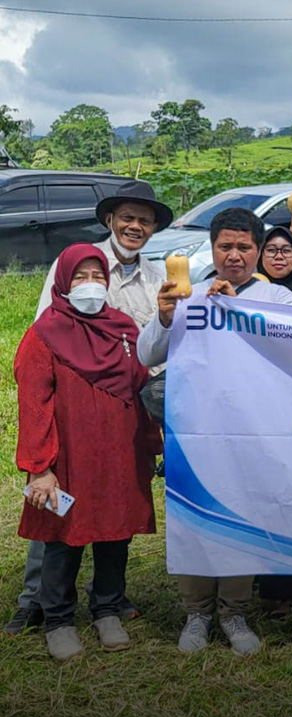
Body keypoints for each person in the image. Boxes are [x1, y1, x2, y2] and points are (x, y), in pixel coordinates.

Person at [7, 180, 172, 639]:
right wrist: (39, 465)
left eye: (145, 220)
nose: (135, 226)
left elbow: (148, 361)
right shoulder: (51, 323)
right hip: (68, 439)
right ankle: (43, 607)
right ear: (110, 220)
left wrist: (150, 439)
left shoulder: (148, 291)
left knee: (114, 519)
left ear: (154, 227)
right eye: (127, 218)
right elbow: (38, 388)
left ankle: (109, 606)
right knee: (59, 525)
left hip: (119, 436)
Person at [138, 208, 292, 655]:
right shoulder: (187, 292)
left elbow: (291, 355)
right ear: (211, 249)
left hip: (250, 431)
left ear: (259, 251)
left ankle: (234, 611)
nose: (234, 255)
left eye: (244, 247)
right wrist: (166, 316)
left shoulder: (278, 299)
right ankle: (196, 612)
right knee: (193, 519)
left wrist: (236, 309)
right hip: (194, 431)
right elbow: (147, 353)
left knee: (240, 518)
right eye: (225, 246)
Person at [258, 227, 292, 295]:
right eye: (271, 250)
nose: (279, 257)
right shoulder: (247, 290)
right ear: (260, 254)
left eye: (286, 250)